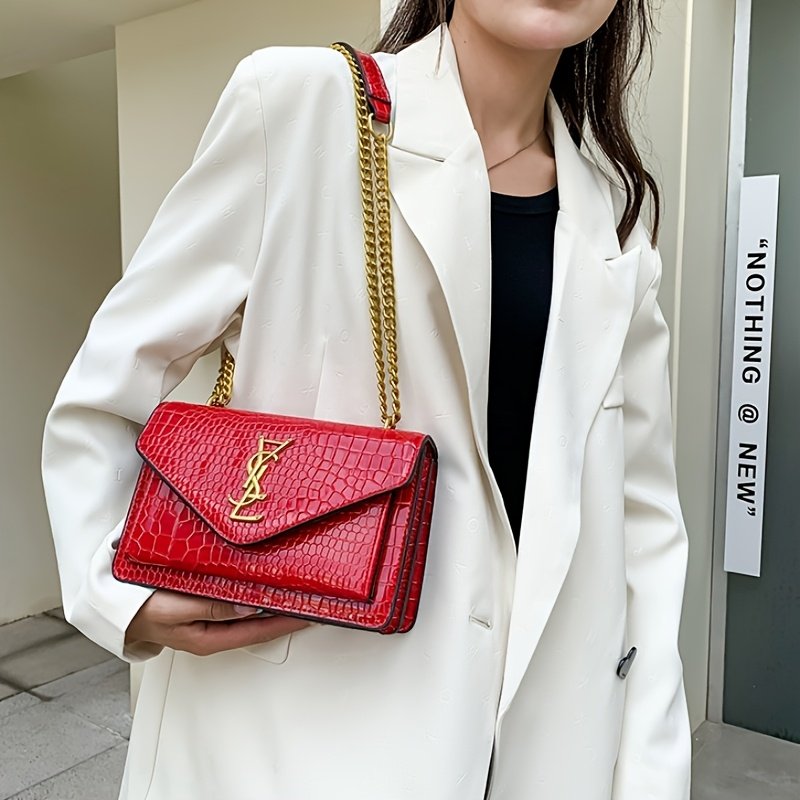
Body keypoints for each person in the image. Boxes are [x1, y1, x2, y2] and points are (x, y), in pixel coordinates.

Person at [40, 1, 692, 798]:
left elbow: (643, 524)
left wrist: (650, 774)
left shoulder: (615, 219)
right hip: (294, 740)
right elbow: (108, 385)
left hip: (545, 750)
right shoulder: (300, 106)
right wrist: (120, 589)